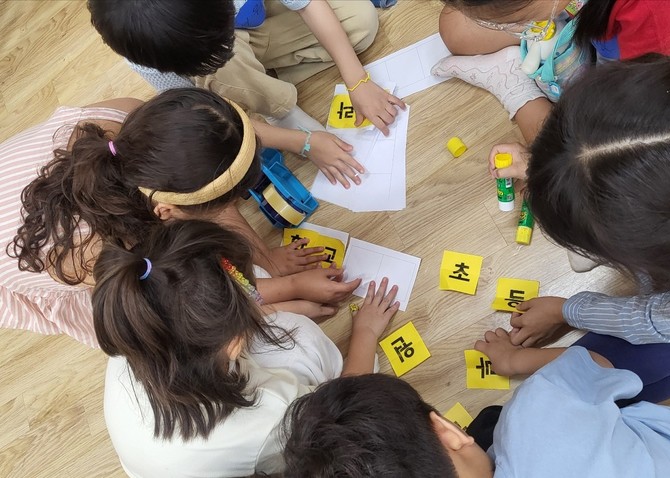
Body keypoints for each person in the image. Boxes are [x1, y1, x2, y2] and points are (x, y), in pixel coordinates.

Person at [505, 54, 670, 403]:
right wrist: (550, 170)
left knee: (628, 386)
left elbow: (648, 318)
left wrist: (567, 309)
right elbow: (628, 153)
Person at [5, 88, 357, 347]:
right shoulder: (98, 258)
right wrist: (276, 308)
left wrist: (302, 141)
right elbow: (187, 318)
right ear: (166, 212)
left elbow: (221, 135)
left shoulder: (129, 119)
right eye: (224, 202)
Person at [95, 219, 400, 477]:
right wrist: (365, 332)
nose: (257, 302)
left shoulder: (134, 319)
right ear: (233, 343)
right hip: (251, 449)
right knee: (302, 340)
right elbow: (346, 413)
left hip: (159, 456)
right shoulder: (271, 412)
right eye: (249, 301)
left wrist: (292, 290)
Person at [88, 0, 406, 188]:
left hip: (261, 19)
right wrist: (302, 142)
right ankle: (273, 102)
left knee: (362, 23)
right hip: (228, 57)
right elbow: (204, 114)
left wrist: (357, 80)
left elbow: (308, 3)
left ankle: (257, 84)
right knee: (223, 72)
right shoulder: (146, 49)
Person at [281, 344, 670, 478]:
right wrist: (517, 360)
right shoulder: (539, 407)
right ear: (447, 431)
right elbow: (601, 365)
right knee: (597, 362)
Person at [431, 0, 670, 181]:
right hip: (591, 20)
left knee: (579, 171)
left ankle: (516, 87)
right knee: (456, 28)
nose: (515, 29)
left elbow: (633, 115)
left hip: (653, 66)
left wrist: (544, 162)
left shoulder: (656, 18)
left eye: (517, 21)